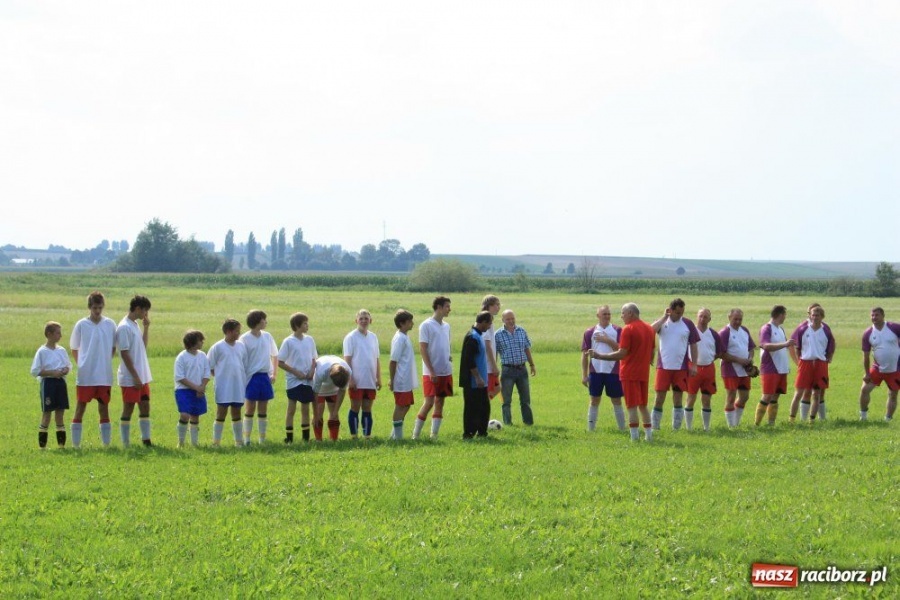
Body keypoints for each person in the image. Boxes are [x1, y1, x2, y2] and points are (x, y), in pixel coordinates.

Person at [587, 303, 656, 441]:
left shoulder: (628, 329)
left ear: (630, 313)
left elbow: (621, 353)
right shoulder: (649, 328)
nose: (622, 316)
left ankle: (634, 437)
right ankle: (649, 436)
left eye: (623, 313)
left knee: (631, 405)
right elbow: (652, 351)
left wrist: (600, 355)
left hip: (629, 372)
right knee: (643, 405)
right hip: (644, 373)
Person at [69, 291, 116, 448]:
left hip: (104, 376)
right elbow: (74, 348)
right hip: (86, 376)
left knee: (104, 408)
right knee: (80, 407)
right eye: (95, 307)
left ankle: (106, 445)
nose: (97, 311)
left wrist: (105, 361)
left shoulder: (110, 324)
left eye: (100, 307)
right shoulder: (81, 325)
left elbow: (113, 348)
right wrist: (81, 364)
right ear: (89, 307)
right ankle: (76, 445)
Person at [650, 298, 700, 430]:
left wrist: (694, 365)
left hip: (681, 368)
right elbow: (650, 331)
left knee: (678, 397)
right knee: (659, 397)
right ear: (670, 310)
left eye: (682, 312)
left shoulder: (688, 324)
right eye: (677, 312)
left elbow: (694, 345)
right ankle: (655, 427)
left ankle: (676, 428)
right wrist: (663, 317)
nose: (680, 315)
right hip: (663, 367)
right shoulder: (662, 322)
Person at [412, 296, 453, 439]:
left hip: (445, 370)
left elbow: (446, 345)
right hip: (431, 372)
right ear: (439, 307)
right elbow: (423, 349)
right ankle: (415, 435)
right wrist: (431, 371)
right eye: (447, 306)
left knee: (440, 401)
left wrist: (449, 357)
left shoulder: (447, 326)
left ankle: (433, 435)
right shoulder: (426, 325)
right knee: (429, 402)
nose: (450, 309)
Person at [581, 305, 625, 431]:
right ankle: (591, 429)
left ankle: (622, 428)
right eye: (604, 314)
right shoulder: (590, 332)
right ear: (598, 316)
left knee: (616, 400)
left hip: (614, 372)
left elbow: (621, 350)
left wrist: (607, 340)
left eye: (608, 314)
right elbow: (584, 355)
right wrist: (584, 375)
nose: (607, 316)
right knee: (594, 400)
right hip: (596, 372)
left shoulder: (618, 330)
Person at [116, 295, 153, 447]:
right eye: (145, 310)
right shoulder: (124, 327)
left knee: (145, 405)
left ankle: (146, 440)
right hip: (131, 377)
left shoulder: (135, 325)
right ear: (137, 309)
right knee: (129, 408)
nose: (146, 314)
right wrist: (135, 377)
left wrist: (146, 328)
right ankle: (125, 443)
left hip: (142, 376)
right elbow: (124, 354)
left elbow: (142, 347)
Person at [789, 305, 835, 423]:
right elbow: (797, 347)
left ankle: (812, 420)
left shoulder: (826, 330)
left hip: (820, 364)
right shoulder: (802, 329)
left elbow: (831, 345)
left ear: (822, 317)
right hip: (805, 363)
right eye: (813, 315)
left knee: (817, 392)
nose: (815, 317)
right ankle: (792, 419)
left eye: (817, 315)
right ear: (809, 315)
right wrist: (800, 361)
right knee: (799, 392)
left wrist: (829, 358)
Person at [207, 318, 248, 447]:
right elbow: (209, 366)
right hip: (223, 386)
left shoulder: (241, 346)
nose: (239, 334)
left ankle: (239, 442)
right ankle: (216, 442)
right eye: (237, 331)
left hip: (238, 385)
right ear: (229, 331)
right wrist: (220, 376)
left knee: (237, 412)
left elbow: (244, 364)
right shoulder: (217, 347)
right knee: (221, 412)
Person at [277, 312, 318, 443]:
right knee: (291, 409)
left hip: (307, 380)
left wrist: (312, 371)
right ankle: (289, 438)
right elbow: (280, 362)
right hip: (293, 381)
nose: (307, 326)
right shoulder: (288, 341)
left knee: (305, 408)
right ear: (297, 325)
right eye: (305, 323)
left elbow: (314, 358)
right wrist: (296, 373)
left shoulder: (309, 339)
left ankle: (306, 438)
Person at [240, 309, 278, 444]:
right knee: (249, 408)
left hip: (264, 376)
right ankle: (247, 439)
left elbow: (275, 355)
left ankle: (262, 439)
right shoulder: (244, 339)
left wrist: (274, 373)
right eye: (264, 319)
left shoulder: (267, 336)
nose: (266, 322)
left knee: (263, 408)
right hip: (251, 377)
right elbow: (241, 359)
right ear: (257, 321)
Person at [31, 321, 71, 448]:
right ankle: (42, 447)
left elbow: (69, 366)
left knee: (60, 414)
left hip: (60, 383)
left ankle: (61, 446)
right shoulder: (42, 351)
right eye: (58, 333)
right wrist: (52, 372)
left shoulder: (62, 350)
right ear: (49, 334)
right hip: (48, 384)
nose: (61, 335)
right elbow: (35, 371)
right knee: (47, 414)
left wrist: (65, 370)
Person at [343, 309, 381, 439]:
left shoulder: (373, 337)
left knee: (367, 408)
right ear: (356, 321)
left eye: (366, 318)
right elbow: (347, 360)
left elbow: (376, 359)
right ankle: (354, 436)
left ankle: (367, 436)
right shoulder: (351, 337)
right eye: (361, 318)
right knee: (355, 407)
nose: (364, 321)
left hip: (370, 379)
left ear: (371, 320)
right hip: (357, 380)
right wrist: (350, 379)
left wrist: (378, 378)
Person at [494, 310, 536, 426]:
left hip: (522, 369)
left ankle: (528, 423)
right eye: (508, 319)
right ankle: (508, 423)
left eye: (512, 318)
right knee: (506, 400)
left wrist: (532, 365)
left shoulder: (521, 331)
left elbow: (527, 349)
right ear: (502, 320)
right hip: (507, 370)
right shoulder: (497, 335)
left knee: (525, 399)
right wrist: (494, 369)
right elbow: (495, 353)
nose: (511, 321)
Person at [755, 305, 795, 426]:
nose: (785, 317)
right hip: (770, 368)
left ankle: (771, 423)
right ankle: (757, 424)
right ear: (780, 314)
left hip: (782, 368)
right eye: (784, 315)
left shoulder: (780, 329)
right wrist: (785, 344)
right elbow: (765, 345)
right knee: (767, 395)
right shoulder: (766, 328)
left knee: (776, 396)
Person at [684, 308, 723, 431]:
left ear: (709, 319)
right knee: (691, 397)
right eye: (700, 316)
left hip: (709, 369)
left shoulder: (713, 334)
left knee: (707, 399)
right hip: (693, 368)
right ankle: (689, 427)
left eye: (705, 317)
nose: (702, 319)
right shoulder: (690, 332)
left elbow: (720, 352)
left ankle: (706, 427)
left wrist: (709, 358)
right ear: (697, 316)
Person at [859, 307, 900, 422]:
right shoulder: (868, 333)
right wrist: (867, 373)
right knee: (864, 390)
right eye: (872, 315)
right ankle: (863, 417)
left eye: (876, 315)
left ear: (883, 316)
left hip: (895, 369)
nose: (874, 317)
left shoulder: (894, 327)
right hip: (877, 369)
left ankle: (888, 419)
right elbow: (866, 356)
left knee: (893, 395)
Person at [719, 308, 757, 427]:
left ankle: (736, 422)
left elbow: (751, 348)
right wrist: (738, 360)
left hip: (745, 369)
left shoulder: (744, 330)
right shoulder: (725, 332)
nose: (738, 321)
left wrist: (750, 358)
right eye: (735, 319)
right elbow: (721, 353)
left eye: (740, 319)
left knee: (745, 397)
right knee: (731, 397)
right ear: (729, 318)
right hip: (730, 369)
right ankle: (732, 426)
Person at [173, 330, 210, 447]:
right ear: (193, 342)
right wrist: (196, 388)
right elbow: (180, 377)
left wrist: (202, 387)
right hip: (183, 390)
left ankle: (194, 443)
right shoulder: (182, 357)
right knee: (184, 415)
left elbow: (206, 374)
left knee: (195, 415)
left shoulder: (203, 355)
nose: (202, 342)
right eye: (200, 340)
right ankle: (181, 442)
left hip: (199, 389)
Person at [460, 311, 493, 438]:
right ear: (483, 322)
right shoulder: (473, 337)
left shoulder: (478, 335)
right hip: (473, 382)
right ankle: (468, 433)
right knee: (472, 408)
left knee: (483, 407)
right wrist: (478, 377)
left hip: (480, 382)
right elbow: (469, 359)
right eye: (489, 323)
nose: (490, 326)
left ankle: (482, 432)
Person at [388, 309, 418, 440]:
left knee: (406, 405)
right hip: (400, 378)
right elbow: (393, 361)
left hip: (406, 378)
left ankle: (394, 434)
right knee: (400, 406)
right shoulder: (399, 339)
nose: (412, 323)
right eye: (409, 321)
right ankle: (398, 438)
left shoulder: (405, 336)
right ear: (402, 323)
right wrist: (392, 379)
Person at [311, 355, 352, 441]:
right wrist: (315, 414)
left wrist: (335, 411)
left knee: (334, 413)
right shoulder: (321, 372)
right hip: (320, 388)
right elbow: (315, 393)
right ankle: (318, 440)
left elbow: (342, 391)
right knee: (318, 412)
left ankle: (334, 440)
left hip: (334, 390)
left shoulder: (347, 371)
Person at [481, 295, 502, 401]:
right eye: (497, 304)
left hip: (489, 365)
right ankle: (479, 411)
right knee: (493, 389)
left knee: (497, 388)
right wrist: (494, 366)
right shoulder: (486, 320)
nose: (499, 307)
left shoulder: (490, 320)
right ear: (489, 306)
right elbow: (487, 345)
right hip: (487, 366)